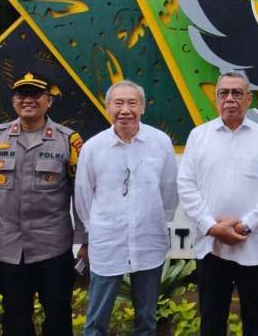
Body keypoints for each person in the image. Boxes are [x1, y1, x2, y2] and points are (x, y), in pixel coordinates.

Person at [0, 72, 85, 336]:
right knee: (15, 322)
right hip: (10, 251)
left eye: (35, 94)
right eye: (22, 94)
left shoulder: (68, 140)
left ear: (49, 101)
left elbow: (80, 195)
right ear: (14, 101)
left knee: (58, 321)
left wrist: (85, 242)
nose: (28, 100)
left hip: (54, 250)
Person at [178, 71, 258, 335]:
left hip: (253, 243)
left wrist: (246, 225)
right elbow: (186, 185)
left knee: (257, 317)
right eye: (223, 93)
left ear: (248, 98)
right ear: (215, 98)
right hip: (211, 245)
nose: (230, 99)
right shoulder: (199, 136)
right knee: (212, 318)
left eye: (236, 93)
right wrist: (212, 227)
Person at [75, 80, 178, 336]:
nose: (125, 109)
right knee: (96, 319)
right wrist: (96, 228)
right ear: (108, 107)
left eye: (132, 103)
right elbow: (83, 197)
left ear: (142, 107)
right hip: (107, 243)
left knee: (146, 319)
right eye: (118, 103)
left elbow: (168, 190)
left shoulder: (160, 142)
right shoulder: (93, 148)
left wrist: (154, 220)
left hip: (148, 242)